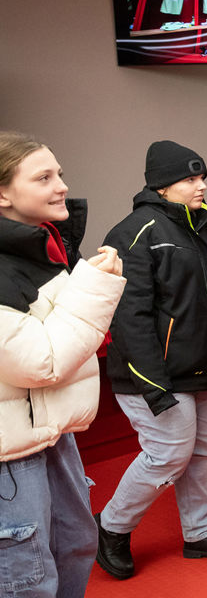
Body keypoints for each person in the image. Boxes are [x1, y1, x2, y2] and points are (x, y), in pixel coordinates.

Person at [97, 140, 207, 579]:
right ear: (163, 186)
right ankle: (111, 527)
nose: (201, 185)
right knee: (168, 454)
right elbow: (128, 319)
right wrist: (153, 384)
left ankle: (200, 534)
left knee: (202, 454)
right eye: (190, 179)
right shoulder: (135, 232)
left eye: (202, 177)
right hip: (156, 375)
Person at [0, 132, 125, 598]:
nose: (62, 186)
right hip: (10, 450)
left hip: (49, 430)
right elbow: (40, 362)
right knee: (27, 575)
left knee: (74, 542)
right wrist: (94, 288)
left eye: (60, 174)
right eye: (44, 177)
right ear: (3, 193)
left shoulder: (42, 249)